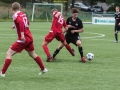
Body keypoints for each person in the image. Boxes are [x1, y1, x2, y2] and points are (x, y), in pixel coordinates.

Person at [0, 2, 48, 77]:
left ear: (12, 9)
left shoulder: (15, 15)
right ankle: (43, 69)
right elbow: (27, 23)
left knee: (8, 54)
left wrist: (22, 34)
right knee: (32, 54)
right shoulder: (23, 14)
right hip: (29, 37)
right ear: (19, 8)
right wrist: (15, 25)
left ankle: (2, 72)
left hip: (23, 39)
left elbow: (22, 22)